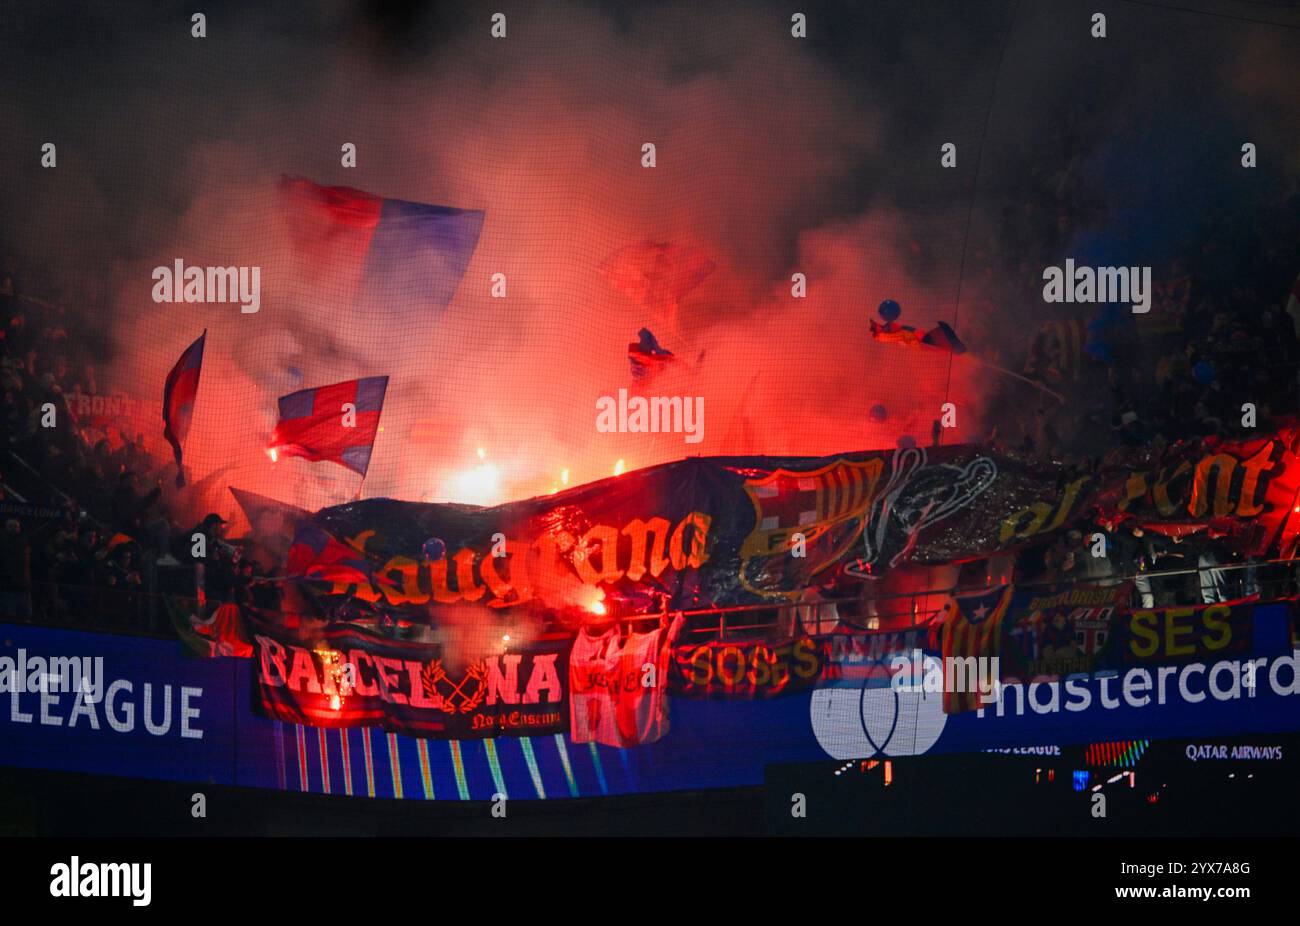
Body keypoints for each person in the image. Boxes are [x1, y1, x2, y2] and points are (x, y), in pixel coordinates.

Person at [0, 518, 32, 619]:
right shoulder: (2, 542)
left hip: (23, 586)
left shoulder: (25, 541)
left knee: (25, 616)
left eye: (15, 526)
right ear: (5, 528)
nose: (13, 528)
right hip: (5, 586)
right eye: (10, 526)